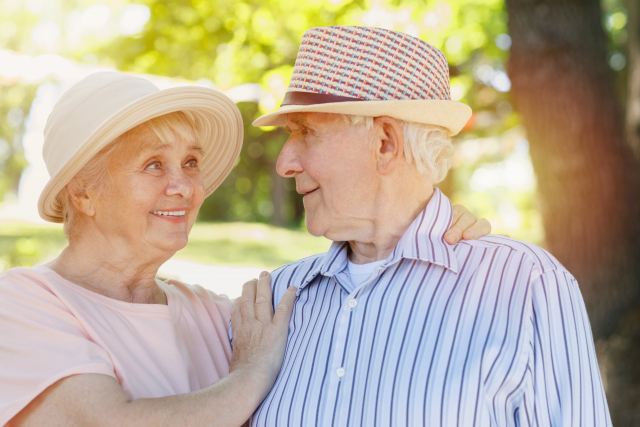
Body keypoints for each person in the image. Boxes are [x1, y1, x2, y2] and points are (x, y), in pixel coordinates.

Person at [0, 72, 488, 426]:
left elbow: (355, 323)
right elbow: (108, 422)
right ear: (83, 192)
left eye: (190, 163)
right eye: (153, 165)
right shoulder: (24, 304)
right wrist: (250, 375)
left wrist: (424, 225)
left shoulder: (213, 315)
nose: (183, 187)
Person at [249, 26, 612, 426]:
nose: (284, 163)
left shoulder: (528, 285)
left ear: (385, 143)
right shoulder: (272, 301)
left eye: (307, 133)